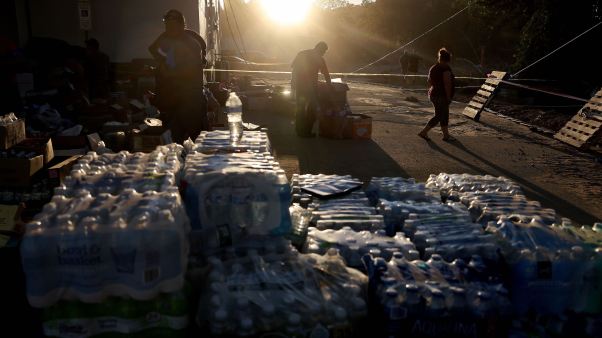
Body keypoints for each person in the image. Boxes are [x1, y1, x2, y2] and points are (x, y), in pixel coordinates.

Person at [148, 9, 208, 143]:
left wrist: (169, 72)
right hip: (172, 100)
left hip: (190, 101)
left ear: (182, 25)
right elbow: (153, 49)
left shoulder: (192, 44)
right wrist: (163, 61)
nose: (169, 29)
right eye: (167, 26)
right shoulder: (168, 41)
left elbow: (189, 71)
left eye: (172, 25)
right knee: (173, 141)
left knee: (196, 140)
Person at [291, 41, 332, 137]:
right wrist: (330, 87)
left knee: (300, 108)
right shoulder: (319, 58)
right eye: (324, 51)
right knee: (312, 109)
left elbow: (294, 69)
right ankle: (307, 131)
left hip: (300, 85)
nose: (324, 53)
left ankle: (300, 131)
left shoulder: (302, 53)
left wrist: (293, 81)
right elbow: (326, 74)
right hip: (311, 88)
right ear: (320, 49)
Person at [418, 47, 456, 141]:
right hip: (441, 96)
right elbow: (447, 84)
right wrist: (448, 97)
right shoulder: (445, 68)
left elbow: (429, 81)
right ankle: (424, 132)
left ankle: (446, 135)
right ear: (448, 59)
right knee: (439, 115)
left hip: (433, 94)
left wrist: (436, 86)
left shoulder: (434, 67)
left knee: (444, 114)